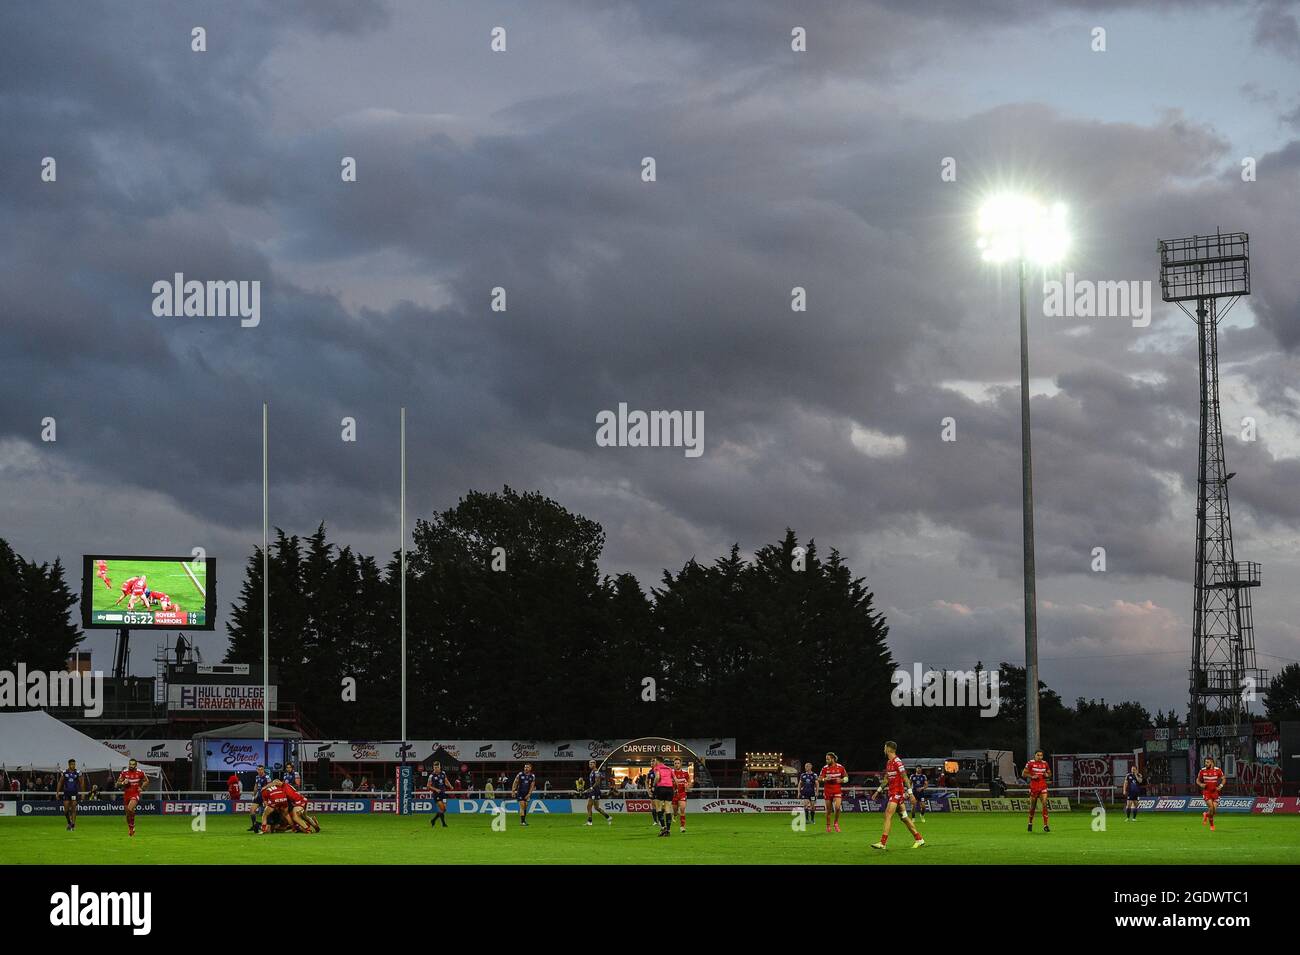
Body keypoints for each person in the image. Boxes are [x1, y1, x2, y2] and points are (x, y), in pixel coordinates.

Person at [871, 741, 925, 851]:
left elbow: (905, 777)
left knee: (887, 815)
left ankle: (883, 842)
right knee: (904, 817)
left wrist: (910, 794)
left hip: (897, 794)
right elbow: (886, 779)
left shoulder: (897, 762)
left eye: (885, 747)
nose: (884, 749)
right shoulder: (889, 762)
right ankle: (919, 839)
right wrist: (878, 791)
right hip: (893, 793)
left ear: (889, 749)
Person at [115, 758, 148, 837]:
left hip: (135, 793)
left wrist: (142, 788)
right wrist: (123, 782)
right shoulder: (124, 772)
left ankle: (132, 825)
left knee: (130, 809)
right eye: (130, 764)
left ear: (136, 765)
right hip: (126, 794)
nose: (131, 766)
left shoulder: (140, 772)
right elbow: (117, 784)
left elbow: (146, 780)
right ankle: (131, 828)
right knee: (127, 814)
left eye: (133, 764)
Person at [1023, 749, 1052, 833]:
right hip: (1034, 787)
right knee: (1033, 807)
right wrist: (1032, 776)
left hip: (1043, 786)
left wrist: (1047, 775)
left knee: (1044, 804)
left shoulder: (1045, 763)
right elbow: (1023, 774)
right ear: (1035, 755)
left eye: (1041, 755)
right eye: (1038, 755)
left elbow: (1049, 774)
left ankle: (1046, 825)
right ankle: (1030, 823)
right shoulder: (1030, 763)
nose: (1039, 757)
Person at [818, 752, 847, 833]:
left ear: (833, 759)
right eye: (826, 759)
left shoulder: (840, 767)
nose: (826, 760)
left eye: (828, 759)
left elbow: (847, 778)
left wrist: (841, 780)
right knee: (828, 810)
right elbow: (819, 778)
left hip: (837, 790)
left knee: (837, 808)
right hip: (828, 790)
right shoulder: (825, 768)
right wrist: (824, 779)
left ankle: (836, 823)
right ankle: (828, 825)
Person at [1197, 757, 1224, 831]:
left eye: (1207, 762)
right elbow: (1197, 780)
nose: (1206, 764)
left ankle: (1206, 814)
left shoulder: (1217, 770)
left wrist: (1221, 786)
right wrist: (1201, 784)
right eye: (1205, 762)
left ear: (1212, 762)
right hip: (1206, 792)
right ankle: (1212, 825)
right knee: (1211, 808)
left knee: (1214, 811)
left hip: (1215, 792)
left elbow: (1224, 779)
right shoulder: (1202, 771)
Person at [650, 757, 675, 837]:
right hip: (670, 789)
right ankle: (668, 830)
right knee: (668, 809)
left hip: (661, 788)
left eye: (654, 760)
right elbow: (675, 779)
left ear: (657, 761)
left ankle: (663, 828)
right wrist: (676, 789)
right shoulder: (669, 768)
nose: (654, 762)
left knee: (658, 808)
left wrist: (653, 785)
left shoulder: (657, 768)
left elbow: (657, 777)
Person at [585, 759, 612, 827]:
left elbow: (597, 782)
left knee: (589, 806)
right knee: (596, 808)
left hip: (594, 791)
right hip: (594, 791)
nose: (590, 765)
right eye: (589, 764)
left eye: (591, 764)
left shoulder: (596, 772)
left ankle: (589, 822)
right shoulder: (592, 772)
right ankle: (608, 817)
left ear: (594, 764)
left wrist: (591, 788)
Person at [59, 758, 82, 831]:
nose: (73, 766)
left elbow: (81, 783)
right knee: (66, 810)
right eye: (72, 764)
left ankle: (73, 824)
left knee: (73, 809)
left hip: (74, 793)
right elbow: (60, 782)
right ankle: (69, 822)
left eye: (74, 764)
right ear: (69, 765)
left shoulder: (77, 772)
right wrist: (57, 792)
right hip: (66, 793)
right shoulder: (64, 772)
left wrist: (83, 792)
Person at [428, 761, 450, 829]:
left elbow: (446, 781)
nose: (436, 769)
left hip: (443, 794)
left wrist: (450, 785)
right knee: (442, 808)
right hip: (436, 795)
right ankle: (443, 824)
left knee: (444, 810)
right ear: (433, 767)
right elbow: (428, 785)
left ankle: (433, 820)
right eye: (435, 767)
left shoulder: (443, 773)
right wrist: (436, 789)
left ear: (440, 767)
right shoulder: (431, 776)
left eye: (437, 767)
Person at [671, 757, 690, 833]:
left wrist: (687, 786)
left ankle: (682, 827)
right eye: (675, 763)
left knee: (682, 809)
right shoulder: (671, 773)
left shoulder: (685, 773)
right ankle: (675, 815)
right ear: (673, 764)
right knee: (675, 811)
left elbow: (688, 782)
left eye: (678, 763)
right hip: (674, 794)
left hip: (682, 793)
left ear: (681, 764)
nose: (676, 765)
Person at [250, 764, 270, 832]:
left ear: (263, 770)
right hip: (258, 795)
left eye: (261, 769)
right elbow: (255, 786)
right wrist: (253, 795)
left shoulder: (267, 777)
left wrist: (267, 798)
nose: (260, 771)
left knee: (266, 812)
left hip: (265, 796)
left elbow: (270, 786)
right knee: (252, 810)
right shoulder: (257, 777)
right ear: (257, 770)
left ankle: (268, 826)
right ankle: (254, 825)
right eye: (258, 770)